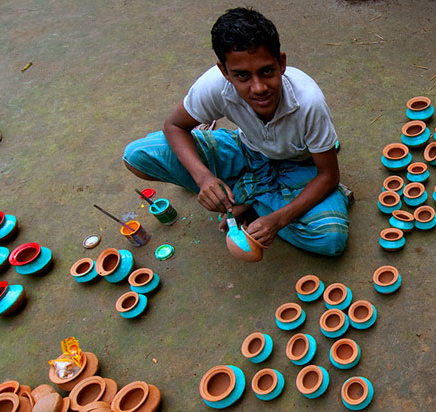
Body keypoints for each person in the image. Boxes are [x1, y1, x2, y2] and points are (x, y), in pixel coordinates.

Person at [123, 7, 350, 256]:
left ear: (281, 63)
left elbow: (328, 175)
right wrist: (204, 178)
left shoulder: (308, 102)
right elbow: (174, 126)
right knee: (138, 156)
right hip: (247, 152)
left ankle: (250, 200)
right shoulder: (215, 85)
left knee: (330, 239)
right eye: (242, 76)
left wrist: (277, 221)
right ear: (224, 72)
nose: (259, 87)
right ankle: (255, 196)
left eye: (266, 71)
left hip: (298, 167)